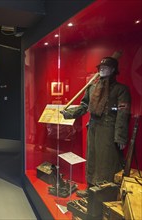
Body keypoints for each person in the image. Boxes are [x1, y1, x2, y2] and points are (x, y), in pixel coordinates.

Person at [61, 56, 131, 196]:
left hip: (109, 130)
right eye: (100, 68)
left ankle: (104, 192)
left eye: (106, 67)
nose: (102, 69)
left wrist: (120, 136)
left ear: (113, 70)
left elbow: (122, 114)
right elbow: (84, 106)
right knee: (92, 158)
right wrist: (68, 114)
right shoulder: (92, 88)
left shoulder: (121, 90)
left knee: (106, 160)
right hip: (93, 128)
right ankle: (90, 189)